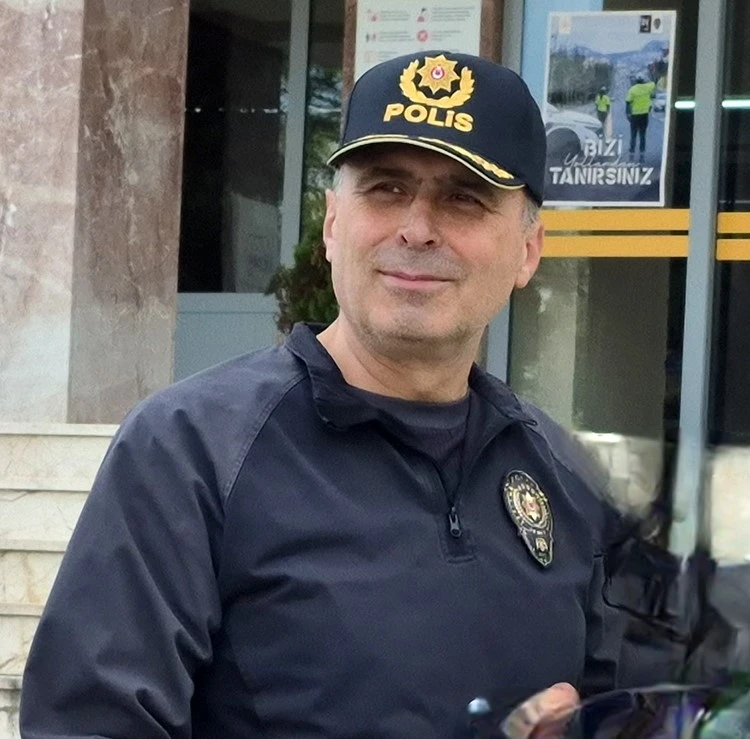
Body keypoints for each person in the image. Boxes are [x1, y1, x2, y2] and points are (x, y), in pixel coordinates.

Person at [20, 51, 624, 739]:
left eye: (464, 198)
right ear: (333, 224)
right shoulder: (191, 449)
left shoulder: (564, 479)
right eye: (386, 189)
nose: (417, 228)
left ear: (528, 250)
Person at [625, 75, 657, 155]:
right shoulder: (647, 87)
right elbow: (654, 82)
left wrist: (628, 114)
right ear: (643, 81)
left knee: (633, 134)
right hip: (644, 114)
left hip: (635, 115)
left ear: (636, 82)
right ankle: (642, 150)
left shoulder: (632, 89)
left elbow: (628, 102)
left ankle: (632, 149)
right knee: (642, 134)